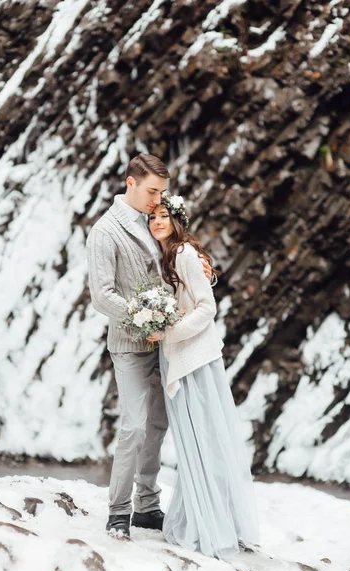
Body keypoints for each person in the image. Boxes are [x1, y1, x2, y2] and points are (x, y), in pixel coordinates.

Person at [86, 154, 212, 538]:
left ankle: (146, 506)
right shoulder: (105, 232)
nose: (158, 200)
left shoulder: (151, 219)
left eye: (162, 192)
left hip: (165, 345)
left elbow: (175, 259)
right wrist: (145, 318)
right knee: (135, 427)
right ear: (130, 183)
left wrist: (202, 263)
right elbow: (101, 296)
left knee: (157, 426)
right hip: (129, 344)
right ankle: (118, 512)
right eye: (152, 191)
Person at [146, 196, 260, 558]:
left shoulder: (184, 255)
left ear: (177, 219)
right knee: (192, 444)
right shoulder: (168, 255)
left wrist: (168, 332)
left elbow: (206, 308)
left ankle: (211, 526)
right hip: (179, 357)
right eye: (152, 217)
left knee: (203, 442)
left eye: (164, 216)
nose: (157, 222)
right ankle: (204, 518)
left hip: (194, 359)